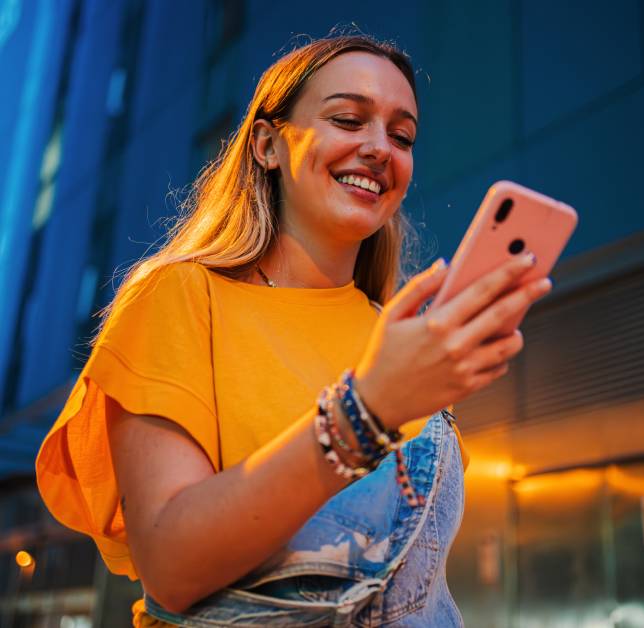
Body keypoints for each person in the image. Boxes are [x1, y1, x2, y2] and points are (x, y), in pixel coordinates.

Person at [35, 34, 550, 626]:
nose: (380, 149)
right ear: (266, 145)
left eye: (402, 135)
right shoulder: (181, 297)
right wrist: (365, 414)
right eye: (348, 119)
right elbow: (171, 569)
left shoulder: (400, 333)